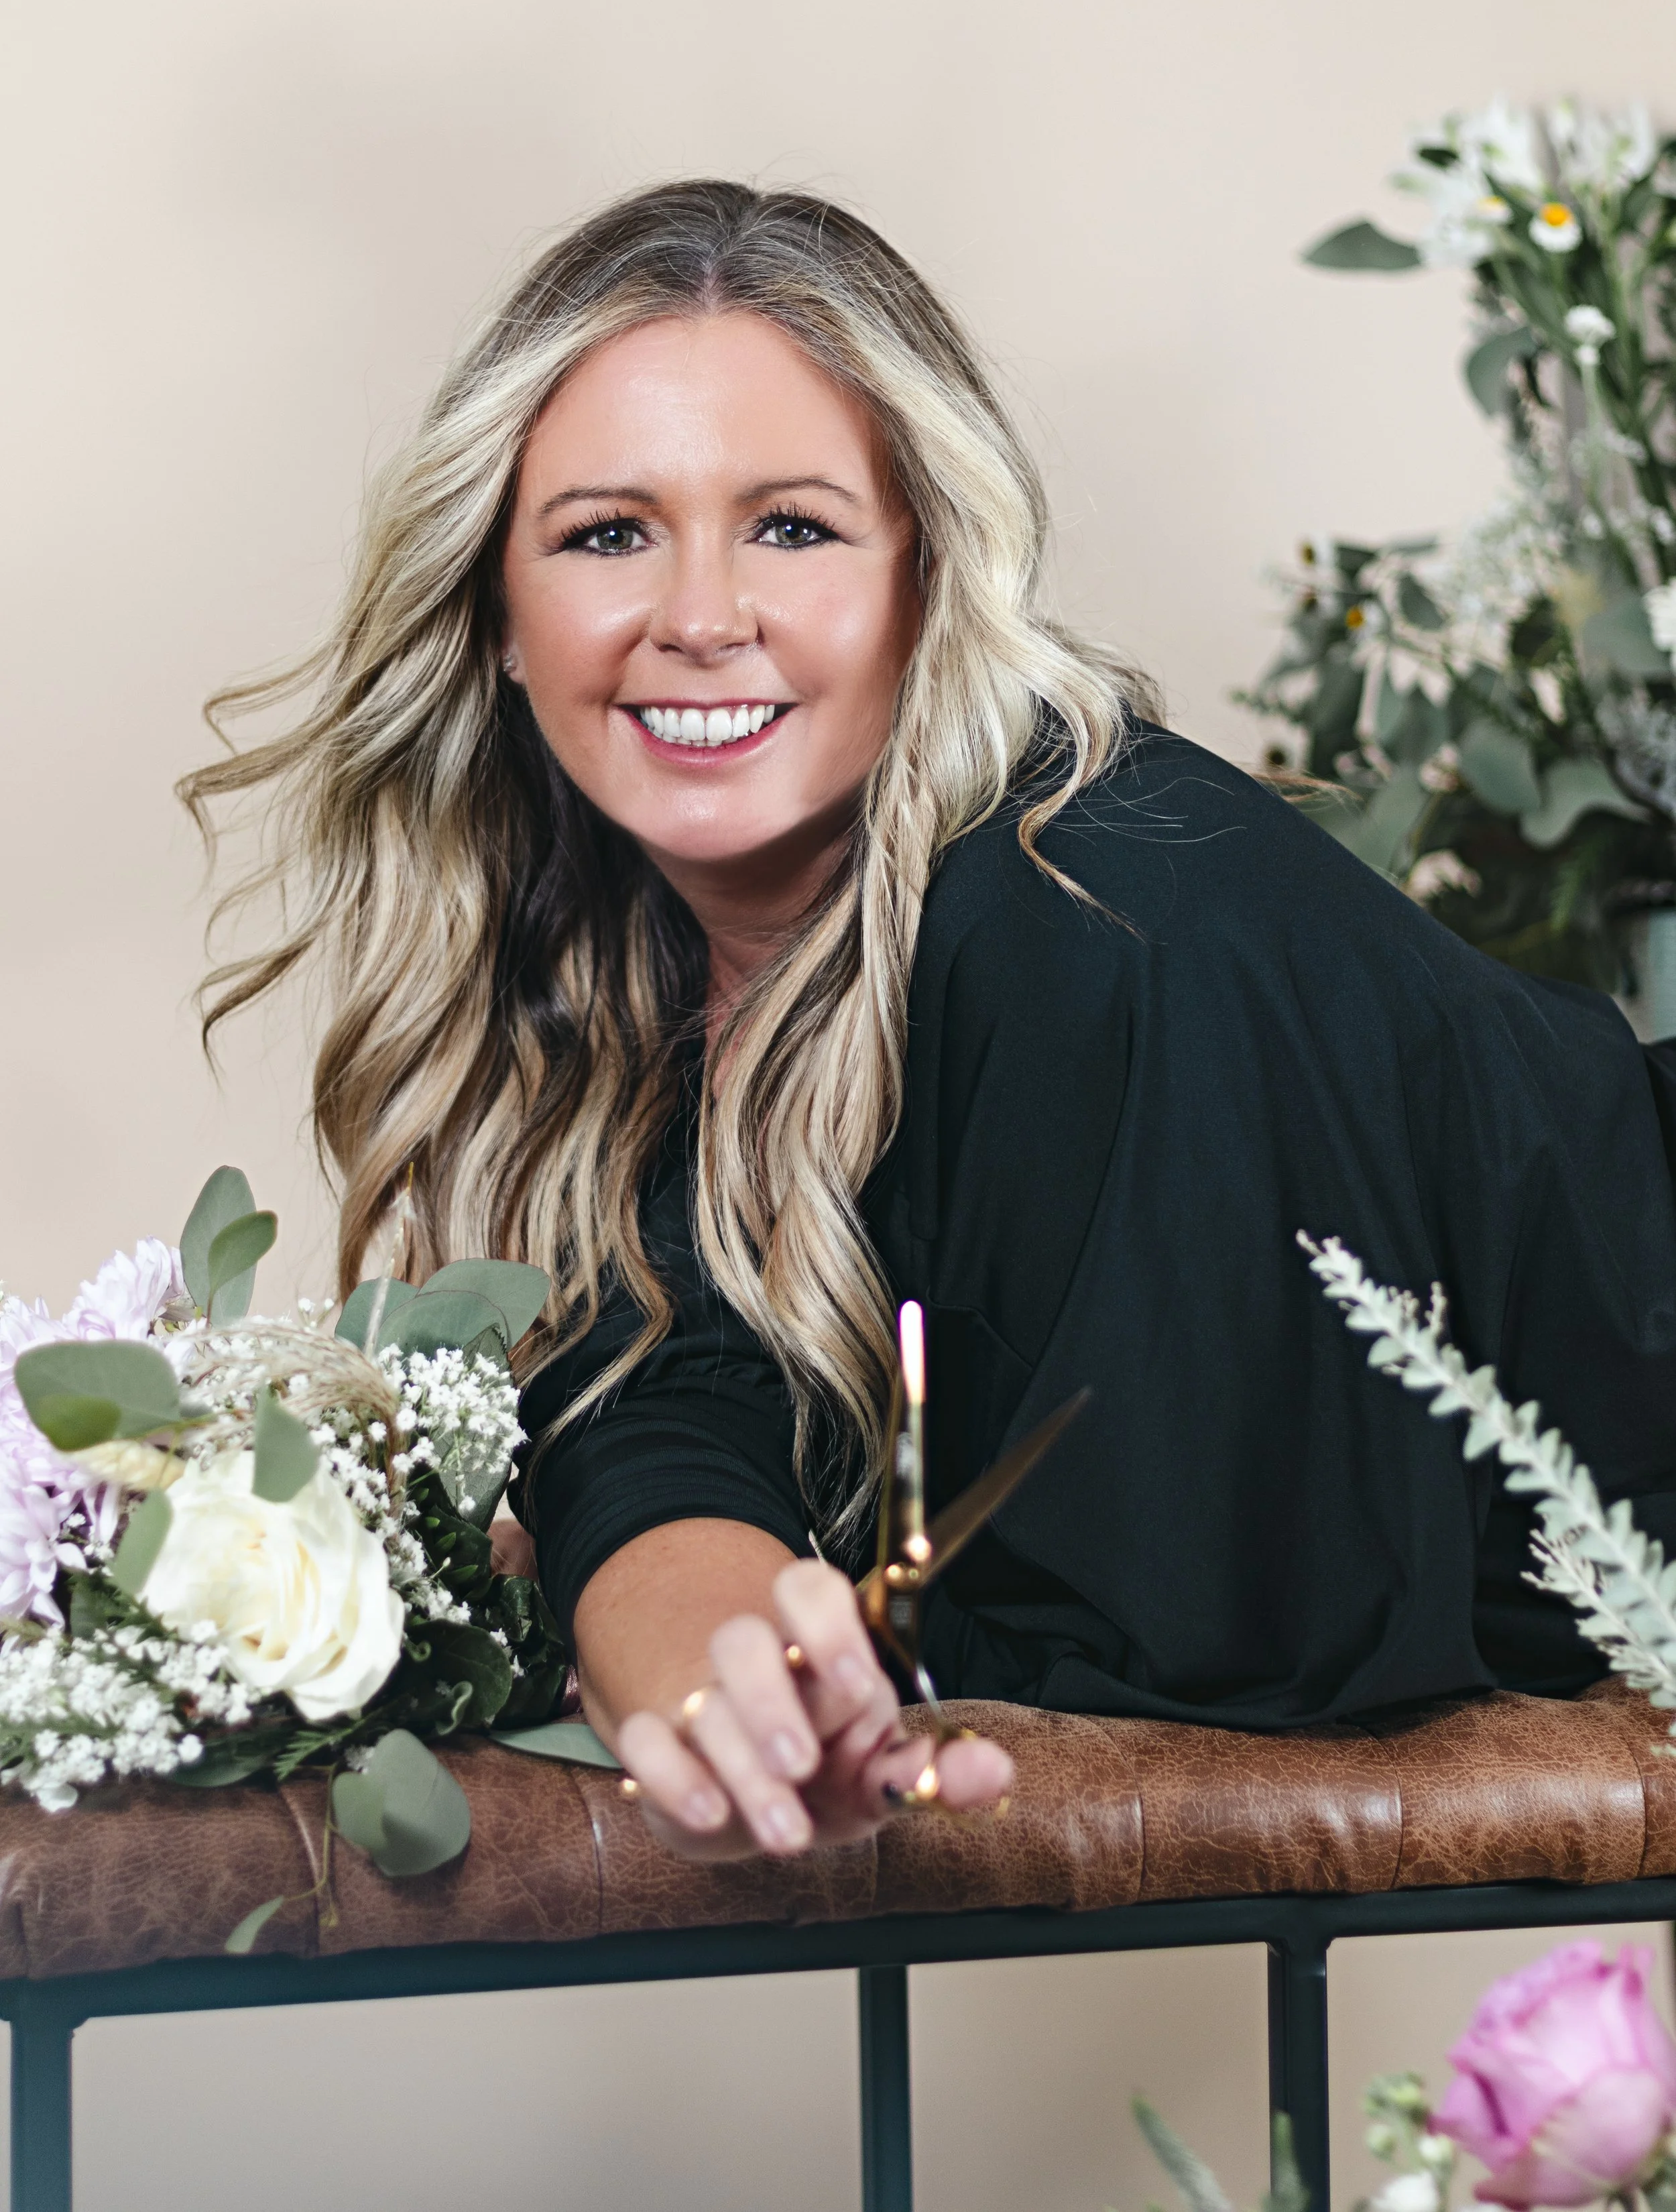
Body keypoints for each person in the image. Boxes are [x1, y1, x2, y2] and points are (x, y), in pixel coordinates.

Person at [181, 180, 1676, 1868]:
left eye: (794, 529)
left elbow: (1240, 1623)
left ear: (925, 584)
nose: (697, 614)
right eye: (607, 533)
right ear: (502, 623)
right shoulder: (658, 997)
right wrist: (724, 1684)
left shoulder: (1096, 908)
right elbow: (659, 1427)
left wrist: (861, 1655)